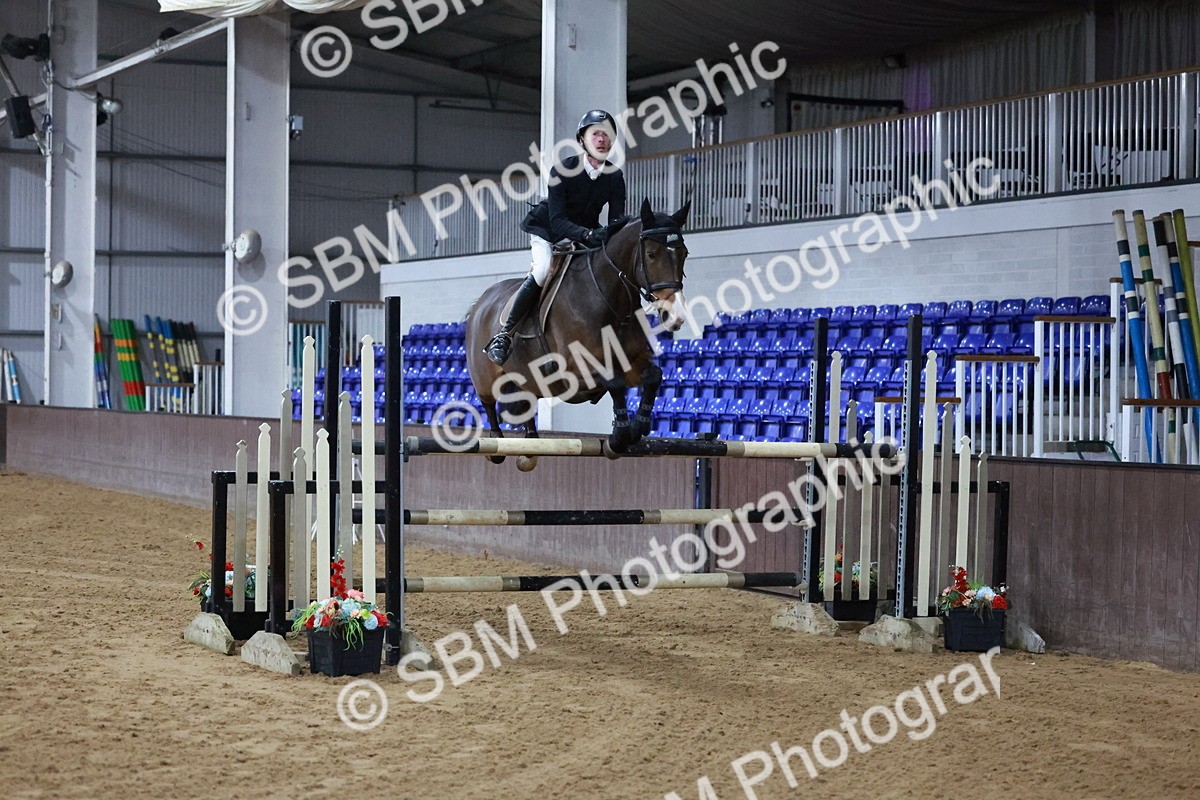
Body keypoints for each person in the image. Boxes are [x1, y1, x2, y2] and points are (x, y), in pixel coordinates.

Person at [483, 109, 628, 365]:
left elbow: (617, 220)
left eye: (607, 135)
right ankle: (504, 335)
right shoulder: (562, 170)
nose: (602, 139)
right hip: (549, 230)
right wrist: (588, 234)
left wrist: (610, 237)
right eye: (596, 134)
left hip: (585, 233)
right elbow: (558, 221)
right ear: (582, 140)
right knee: (542, 271)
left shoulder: (615, 176)